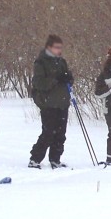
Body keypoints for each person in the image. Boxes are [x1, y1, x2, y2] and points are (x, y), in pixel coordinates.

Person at [29, 34, 72, 169]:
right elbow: (38, 82)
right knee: (48, 133)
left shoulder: (61, 61)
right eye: (56, 47)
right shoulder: (41, 62)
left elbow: (68, 80)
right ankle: (35, 159)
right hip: (48, 103)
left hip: (62, 102)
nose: (59, 50)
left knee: (60, 133)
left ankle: (55, 159)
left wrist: (68, 78)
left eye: (60, 47)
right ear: (49, 47)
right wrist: (54, 79)